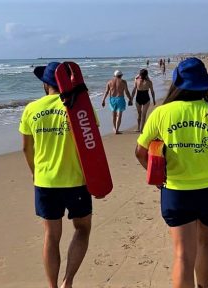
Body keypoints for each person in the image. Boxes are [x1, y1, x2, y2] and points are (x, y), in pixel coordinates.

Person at [135, 57, 208, 288]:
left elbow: (140, 151)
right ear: (205, 85)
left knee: (182, 255)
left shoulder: (161, 113)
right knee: (206, 243)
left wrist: (158, 176)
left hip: (177, 191)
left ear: (177, 83)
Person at [19, 62, 93, 288]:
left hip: (45, 181)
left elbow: (26, 148)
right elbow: (91, 145)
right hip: (76, 180)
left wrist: (35, 173)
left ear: (45, 84)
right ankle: (67, 281)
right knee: (82, 229)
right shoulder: (79, 106)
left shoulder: (31, 109)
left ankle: (52, 286)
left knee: (51, 236)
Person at [101, 70, 132, 134]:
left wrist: (103, 100)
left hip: (112, 99)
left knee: (113, 114)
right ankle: (117, 130)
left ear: (114, 75)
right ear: (121, 75)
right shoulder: (123, 82)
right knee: (119, 115)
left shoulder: (109, 82)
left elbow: (106, 91)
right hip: (120, 99)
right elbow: (126, 92)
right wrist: (130, 99)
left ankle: (114, 128)